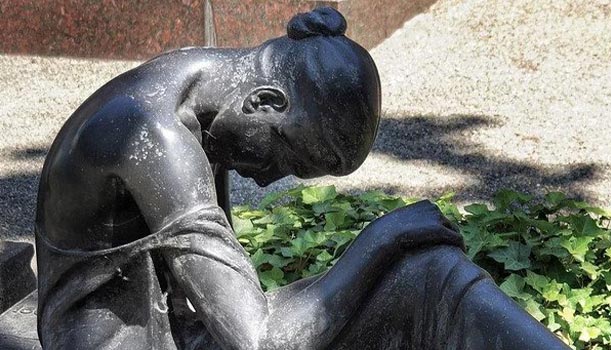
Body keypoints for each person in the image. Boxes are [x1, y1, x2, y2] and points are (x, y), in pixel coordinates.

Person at [35, 7, 568, 350]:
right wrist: (382, 239)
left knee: (430, 275)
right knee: (411, 262)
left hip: (185, 330)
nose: (268, 181)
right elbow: (259, 342)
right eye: (285, 161)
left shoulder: (209, 88)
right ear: (266, 103)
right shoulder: (153, 137)